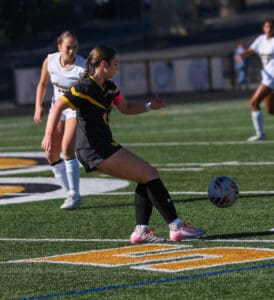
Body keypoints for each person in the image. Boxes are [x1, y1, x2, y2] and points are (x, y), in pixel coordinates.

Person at [41, 45, 206, 243]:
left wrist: (148, 106)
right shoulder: (86, 87)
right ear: (104, 64)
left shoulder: (110, 88)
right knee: (150, 174)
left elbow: (126, 108)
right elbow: (59, 105)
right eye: (115, 64)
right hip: (94, 149)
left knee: (145, 176)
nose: (117, 68)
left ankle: (141, 231)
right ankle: (176, 227)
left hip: (105, 145)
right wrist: (49, 135)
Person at [34, 30, 85, 209]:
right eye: (68, 48)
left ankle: (74, 194)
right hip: (58, 109)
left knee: (66, 149)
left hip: (74, 110)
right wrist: (38, 106)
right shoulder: (50, 61)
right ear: (60, 47)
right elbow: (42, 84)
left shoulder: (82, 68)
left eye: (75, 47)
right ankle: (67, 192)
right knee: (50, 153)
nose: (72, 52)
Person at [236, 18, 274, 142]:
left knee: (254, 102)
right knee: (271, 110)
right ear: (264, 28)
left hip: (272, 78)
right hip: (267, 76)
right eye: (267, 26)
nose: (269, 29)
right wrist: (242, 55)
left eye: (271, 27)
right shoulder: (261, 39)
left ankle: (260, 134)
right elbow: (251, 50)